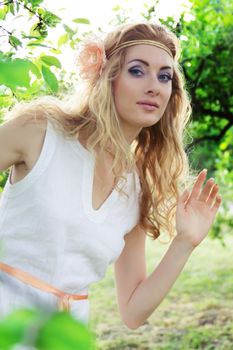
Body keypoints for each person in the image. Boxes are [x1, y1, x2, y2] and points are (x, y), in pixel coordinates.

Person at [0, 22, 221, 329]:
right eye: (137, 70)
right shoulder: (39, 131)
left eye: (164, 76)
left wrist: (184, 242)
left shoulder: (137, 189)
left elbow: (132, 312)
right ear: (108, 75)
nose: (154, 86)